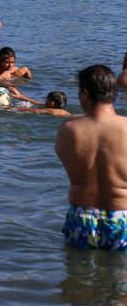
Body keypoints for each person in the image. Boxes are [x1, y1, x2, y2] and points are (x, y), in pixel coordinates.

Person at [56, 65, 127, 250]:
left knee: (79, 267)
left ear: (85, 93)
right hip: (122, 216)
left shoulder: (68, 130)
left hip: (81, 216)